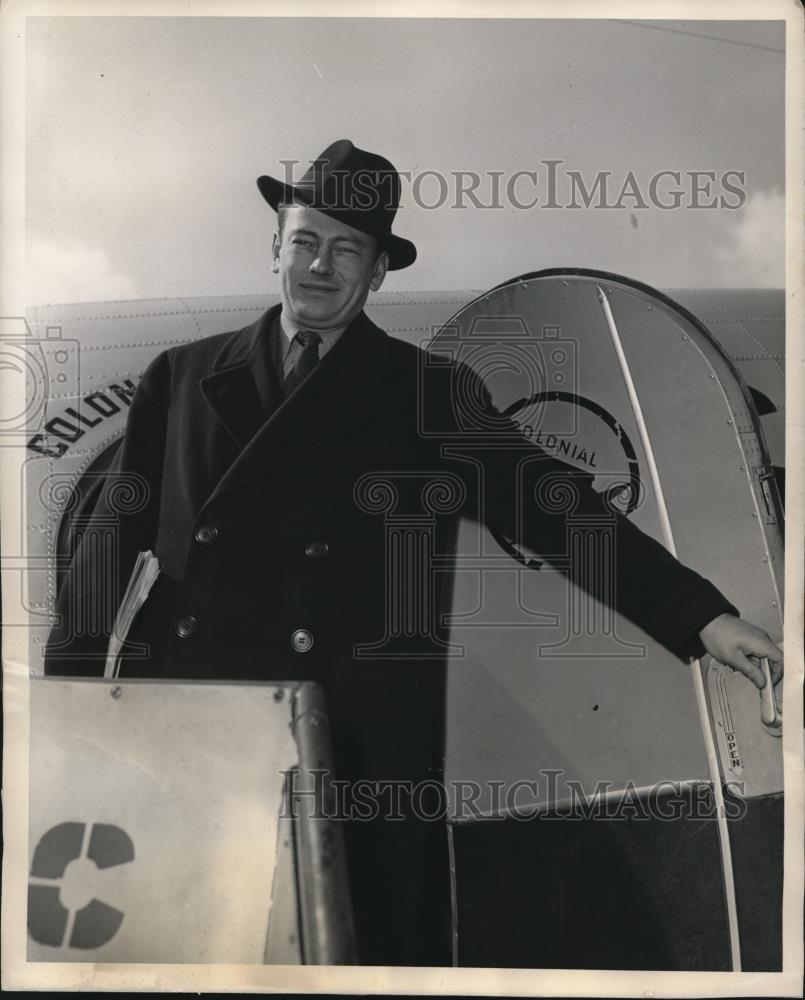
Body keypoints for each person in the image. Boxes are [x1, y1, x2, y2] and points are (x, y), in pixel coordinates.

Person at [45, 139, 784, 966]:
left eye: (346, 249)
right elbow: (104, 559)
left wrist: (704, 618)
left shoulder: (425, 394)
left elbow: (557, 508)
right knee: (195, 948)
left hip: (350, 756)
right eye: (305, 241)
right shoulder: (177, 380)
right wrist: (68, 719)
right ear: (276, 247)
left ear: (375, 274)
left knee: (342, 960)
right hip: (196, 733)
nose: (319, 266)